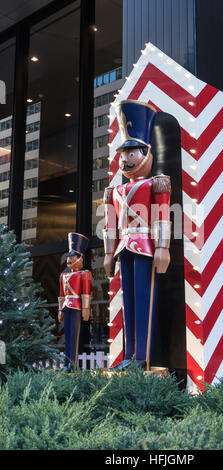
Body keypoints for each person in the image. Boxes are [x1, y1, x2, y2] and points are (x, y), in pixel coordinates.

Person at [103, 100, 171, 371]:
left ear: (146, 152)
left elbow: (163, 215)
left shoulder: (157, 182)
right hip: (123, 247)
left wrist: (163, 247)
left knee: (144, 301)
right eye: (123, 154)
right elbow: (109, 225)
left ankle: (142, 356)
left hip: (145, 245)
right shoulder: (113, 191)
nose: (126, 159)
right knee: (128, 302)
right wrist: (108, 254)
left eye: (132, 152)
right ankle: (130, 355)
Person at [58, 232, 91, 371]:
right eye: (69, 256)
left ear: (79, 257)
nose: (70, 259)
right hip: (67, 306)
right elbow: (61, 294)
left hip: (77, 306)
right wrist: (60, 310)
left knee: (74, 337)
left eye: (72, 256)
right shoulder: (63, 275)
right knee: (68, 337)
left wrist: (86, 309)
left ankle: (72, 365)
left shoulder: (84, 274)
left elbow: (86, 293)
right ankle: (66, 364)